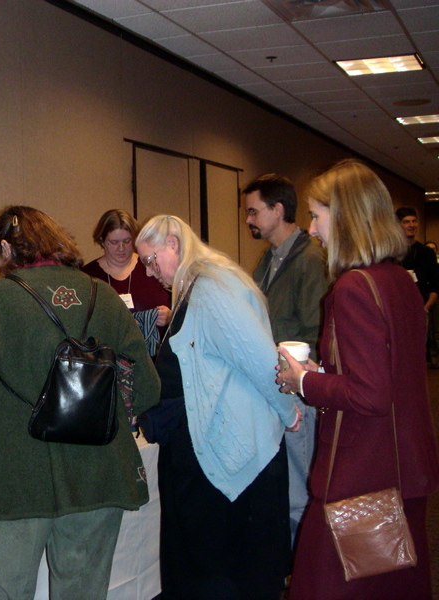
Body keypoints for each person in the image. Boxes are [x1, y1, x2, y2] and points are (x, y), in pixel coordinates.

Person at [0, 206, 161, 600]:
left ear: (4, 248)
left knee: (6, 590)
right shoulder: (105, 296)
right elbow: (147, 389)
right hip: (100, 475)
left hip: (22, 478)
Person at [277, 160, 439, 600]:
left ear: (345, 217)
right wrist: (326, 373)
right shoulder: (398, 282)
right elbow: (389, 372)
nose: (312, 229)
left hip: (359, 477)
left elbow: (370, 393)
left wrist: (303, 383)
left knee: (326, 587)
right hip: (402, 467)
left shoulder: (353, 288)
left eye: (317, 215)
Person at [135, 215, 300, 600]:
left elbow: (260, 361)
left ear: (173, 244)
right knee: (212, 569)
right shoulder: (196, 285)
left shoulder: (210, 287)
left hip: (227, 457)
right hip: (209, 451)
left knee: (224, 572)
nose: (149, 270)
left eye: (151, 259)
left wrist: (288, 412)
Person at [243, 173, 328, 545]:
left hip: (297, 390)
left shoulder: (309, 260)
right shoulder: (269, 258)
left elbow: (316, 329)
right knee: (282, 485)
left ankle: (304, 570)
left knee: (300, 489)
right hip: (272, 387)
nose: (248, 219)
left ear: (278, 211)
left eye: (254, 211)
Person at [82, 209, 171, 356]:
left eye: (127, 241)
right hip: (107, 365)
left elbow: (181, 311)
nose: (121, 248)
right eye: (114, 242)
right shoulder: (88, 277)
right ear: (102, 241)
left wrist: (170, 316)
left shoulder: (153, 267)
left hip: (154, 361)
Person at [395, 206, 439, 368]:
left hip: (420, 311)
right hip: (396, 311)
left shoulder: (426, 253)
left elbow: (435, 285)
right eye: (406, 222)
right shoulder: (391, 252)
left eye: (414, 221)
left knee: (417, 354)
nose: (411, 225)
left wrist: (425, 309)